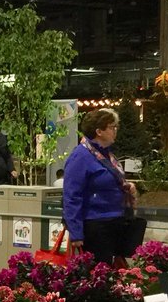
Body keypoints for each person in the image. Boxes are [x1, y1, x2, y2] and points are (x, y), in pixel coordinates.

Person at [61, 108, 143, 262]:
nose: (115, 131)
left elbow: (110, 180)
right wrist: (76, 232)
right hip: (96, 225)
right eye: (112, 127)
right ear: (99, 131)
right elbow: (72, 196)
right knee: (98, 274)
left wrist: (126, 186)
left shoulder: (105, 154)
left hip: (115, 221)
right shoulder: (81, 156)